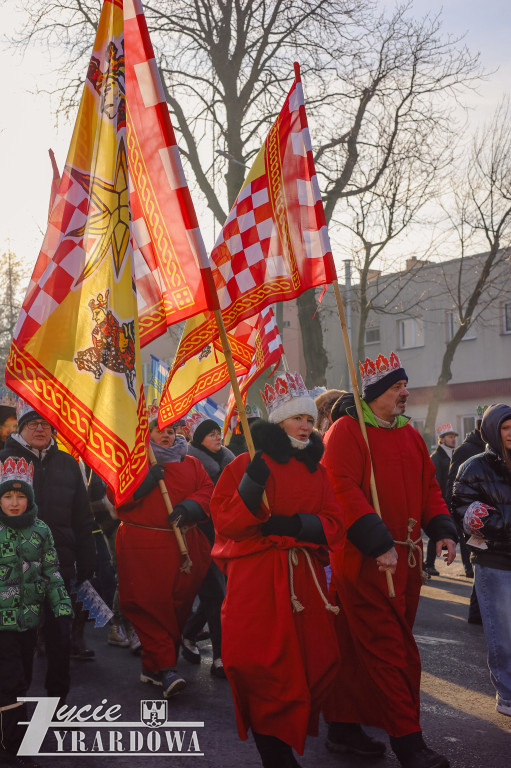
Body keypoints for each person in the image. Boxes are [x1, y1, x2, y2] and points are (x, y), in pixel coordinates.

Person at [322, 352, 458, 768]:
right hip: (366, 563)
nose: (405, 393)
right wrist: (376, 540)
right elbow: (339, 489)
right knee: (391, 650)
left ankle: (343, 726)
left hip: (407, 563)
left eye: (403, 386)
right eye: (398, 387)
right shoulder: (347, 432)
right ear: (377, 392)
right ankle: (408, 742)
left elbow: (429, 488)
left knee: (353, 649)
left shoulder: (409, 435)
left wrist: (444, 531)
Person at [211, 371, 346, 768]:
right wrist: (252, 483)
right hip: (257, 580)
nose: (306, 426)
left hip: (302, 581)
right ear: (278, 421)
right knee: (261, 664)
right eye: (297, 418)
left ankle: (285, 744)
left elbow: (334, 523)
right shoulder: (245, 464)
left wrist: (296, 525)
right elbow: (228, 525)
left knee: (311, 662)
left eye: (309, 419)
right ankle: (275, 754)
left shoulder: (316, 470)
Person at [0, 400, 95, 703]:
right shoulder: (3, 461)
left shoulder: (68, 463)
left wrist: (88, 555)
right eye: (32, 423)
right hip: (13, 568)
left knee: (59, 637)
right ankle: (15, 705)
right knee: (19, 640)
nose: (40, 429)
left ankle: (57, 702)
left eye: (46, 424)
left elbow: (82, 515)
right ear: (20, 428)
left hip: (58, 565)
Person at [113, 421, 214, 699]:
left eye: (171, 431)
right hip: (143, 547)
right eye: (160, 431)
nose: (167, 435)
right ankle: (167, 668)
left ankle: (153, 667)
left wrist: (189, 507)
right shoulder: (132, 464)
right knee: (150, 605)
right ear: (147, 434)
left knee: (177, 607)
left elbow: (207, 491)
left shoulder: (191, 462)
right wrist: (145, 482)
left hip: (184, 547)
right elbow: (117, 498)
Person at [0, 456, 72, 765]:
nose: (14, 503)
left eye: (20, 496)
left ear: (29, 498)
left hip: (28, 622)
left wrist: (61, 605)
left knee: (23, 678)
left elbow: (52, 572)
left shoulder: (41, 530)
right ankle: (15, 747)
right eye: (7, 496)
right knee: (10, 681)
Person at [451, 403, 511, 718]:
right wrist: (505, 522)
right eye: (505, 427)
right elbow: (464, 509)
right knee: (504, 634)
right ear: (491, 430)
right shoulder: (473, 467)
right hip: (495, 561)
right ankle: (508, 695)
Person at [183, 417, 235, 677]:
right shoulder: (190, 464)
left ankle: (189, 634)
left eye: (218, 433)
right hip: (200, 536)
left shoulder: (229, 462)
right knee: (216, 595)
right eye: (211, 434)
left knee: (217, 594)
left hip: (227, 534)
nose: (218, 437)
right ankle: (220, 657)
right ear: (199, 439)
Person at [424, 424, 458, 576]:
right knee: (436, 533)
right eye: (450, 437)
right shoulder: (436, 458)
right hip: (442, 501)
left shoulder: (451, 455)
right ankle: (429, 564)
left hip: (450, 500)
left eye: (454, 437)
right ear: (441, 440)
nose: (453, 440)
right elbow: (435, 483)